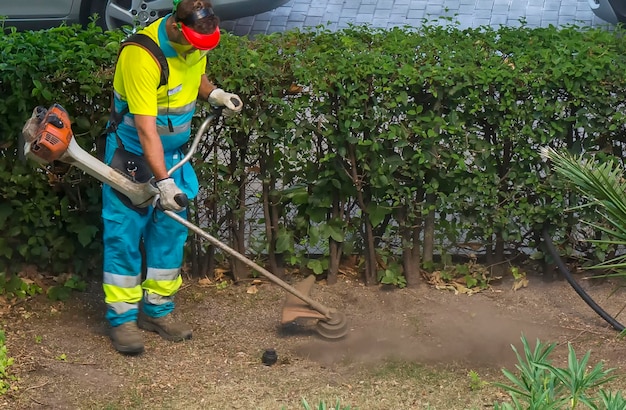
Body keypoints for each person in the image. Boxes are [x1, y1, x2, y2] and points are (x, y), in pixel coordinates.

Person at [102, 0, 242, 354]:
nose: (198, 48)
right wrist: (163, 183)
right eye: (194, 41)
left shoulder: (195, 40)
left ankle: (157, 311)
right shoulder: (141, 56)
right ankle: (122, 320)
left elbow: (194, 72)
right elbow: (147, 131)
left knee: (170, 232)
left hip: (174, 156)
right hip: (131, 157)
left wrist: (214, 93)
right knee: (125, 235)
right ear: (177, 27)